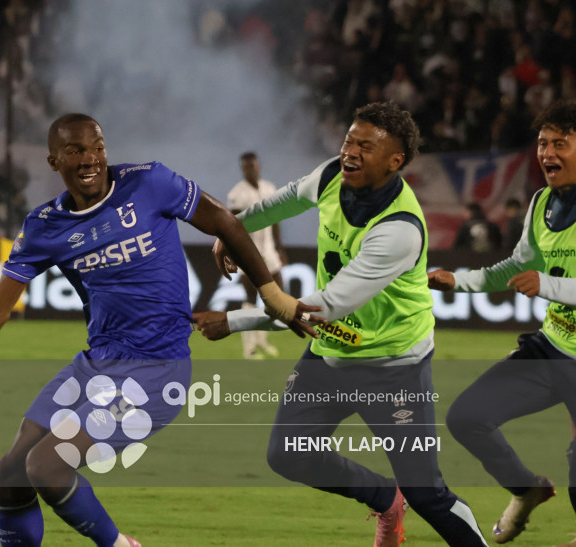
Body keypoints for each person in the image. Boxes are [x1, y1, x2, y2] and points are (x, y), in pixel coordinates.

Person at [0, 113, 315, 547]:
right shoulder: (45, 227)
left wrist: (274, 297)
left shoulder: (150, 183)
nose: (90, 159)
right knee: (10, 473)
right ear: (54, 162)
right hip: (98, 365)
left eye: (98, 147)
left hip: (158, 372)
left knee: (48, 467)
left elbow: (225, 222)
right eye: (76, 150)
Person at [195, 102, 487, 546]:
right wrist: (233, 228)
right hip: (331, 354)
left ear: (396, 161)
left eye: (365, 147)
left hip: (393, 368)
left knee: (428, 494)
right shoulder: (333, 174)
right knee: (288, 454)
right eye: (350, 140)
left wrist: (234, 322)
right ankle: (385, 499)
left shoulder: (399, 230)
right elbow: (287, 200)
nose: (350, 151)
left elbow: (323, 307)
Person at [429, 98, 576, 545]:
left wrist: (550, 286)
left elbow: (541, 280)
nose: (548, 153)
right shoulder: (541, 204)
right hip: (553, 350)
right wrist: (458, 281)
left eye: (561, 143)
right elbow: (513, 267)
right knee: (466, 418)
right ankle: (526, 488)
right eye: (542, 143)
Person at [226, 151, 287, 359]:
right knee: (250, 298)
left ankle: (262, 339)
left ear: (258, 166)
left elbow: (276, 221)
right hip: (249, 254)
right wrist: (234, 253)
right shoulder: (237, 193)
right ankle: (248, 348)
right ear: (242, 168)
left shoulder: (270, 188)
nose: (250, 169)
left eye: (252, 165)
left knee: (276, 295)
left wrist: (280, 249)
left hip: (269, 251)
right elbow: (231, 227)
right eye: (246, 166)